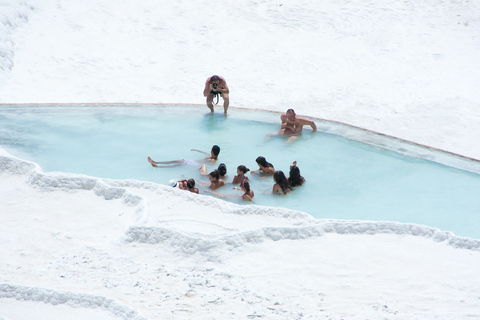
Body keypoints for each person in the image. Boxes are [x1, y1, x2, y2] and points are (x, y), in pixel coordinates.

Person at [148, 145, 220, 167]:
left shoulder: (213, 160)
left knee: (176, 165)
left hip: (194, 164)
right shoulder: (211, 156)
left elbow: (212, 166)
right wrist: (197, 150)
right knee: (175, 161)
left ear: (212, 151)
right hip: (192, 162)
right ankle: (156, 162)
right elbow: (205, 153)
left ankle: (157, 166)